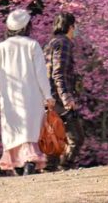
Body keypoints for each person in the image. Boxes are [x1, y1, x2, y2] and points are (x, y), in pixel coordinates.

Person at [0, 9, 54, 176]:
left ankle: (21, 165)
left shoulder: (2, 47)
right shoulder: (32, 45)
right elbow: (41, 73)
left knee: (15, 132)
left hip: (10, 100)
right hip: (32, 98)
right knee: (29, 132)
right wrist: (48, 95)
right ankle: (29, 163)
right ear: (27, 26)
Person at [43, 12, 85, 170]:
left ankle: (50, 169)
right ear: (70, 26)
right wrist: (67, 97)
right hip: (59, 97)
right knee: (77, 137)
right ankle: (64, 166)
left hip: (49, 96)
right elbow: (59, 73)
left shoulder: (51, 43)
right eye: (75, 26)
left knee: (54, 134)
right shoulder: (64, 43)